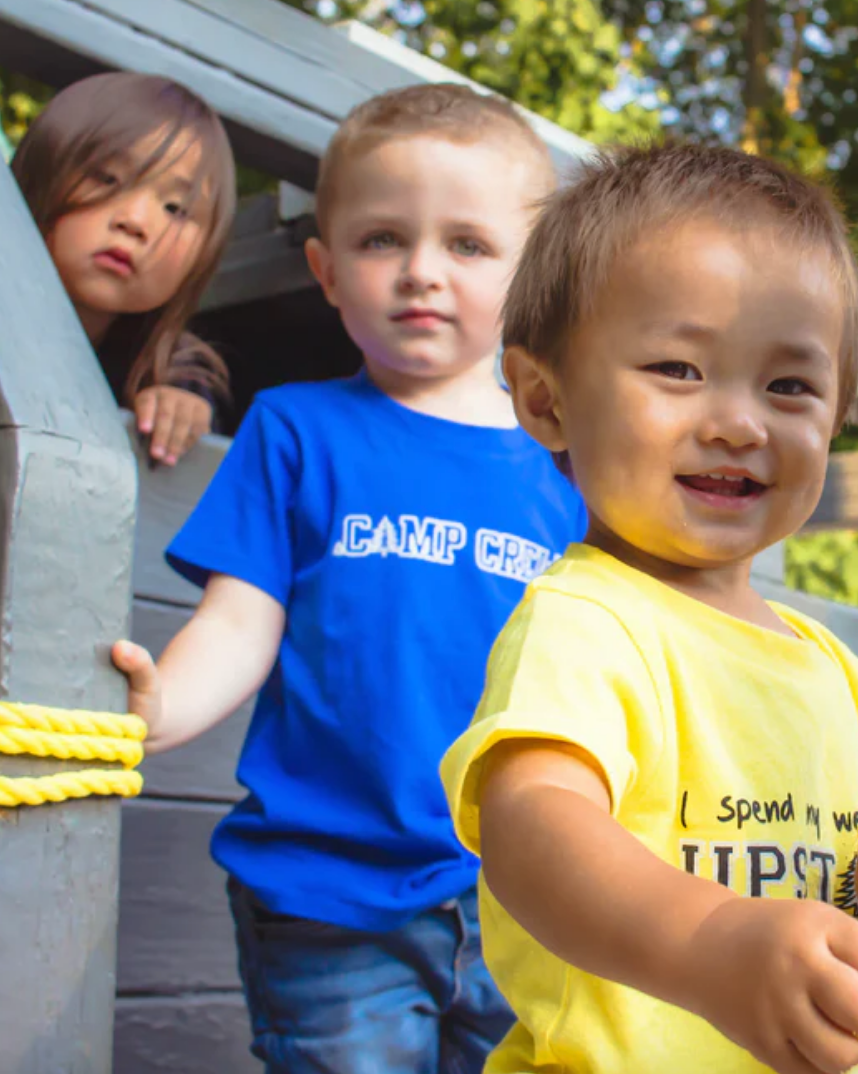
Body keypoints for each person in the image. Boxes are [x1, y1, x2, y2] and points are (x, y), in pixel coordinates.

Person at [111, 83, 586, 1074]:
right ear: (326, 271)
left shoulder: (571, 469)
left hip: (529, 896)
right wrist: (153, 710)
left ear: (533, 276)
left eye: (466, 245)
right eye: (380, 241)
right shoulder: (296, 431)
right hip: (327, 893)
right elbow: (243, 619)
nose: (420, 272)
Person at [440, 140, 858, 1074]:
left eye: (789, 385)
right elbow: (534, 828)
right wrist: (713, 944)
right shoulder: (588, 621)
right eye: (678, 369)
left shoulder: (845, 680)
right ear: (545, 399)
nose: (739, 422)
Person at [0, 71, 235, 465]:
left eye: (175, 209)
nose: (136, 221)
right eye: (107, 179)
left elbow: (191, 423)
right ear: (40, 175)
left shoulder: (171, 363)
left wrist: (180, 412)